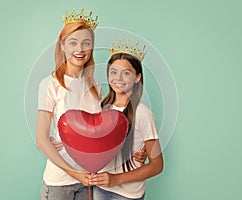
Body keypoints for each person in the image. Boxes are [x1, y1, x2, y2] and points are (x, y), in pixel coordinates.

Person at [36, 8, 102, 200]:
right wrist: (74, 172)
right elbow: (41, 139)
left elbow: (99, 133)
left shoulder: (96, 86)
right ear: (62, 46)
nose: (80, 49)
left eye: (86, 43)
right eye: (73, 42)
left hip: (89, 180)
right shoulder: (49, 84)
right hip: (59, 183)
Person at [90, 40, 164, 200]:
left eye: (126, 73)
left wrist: (115, 179)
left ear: (137, 77)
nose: (118, 78)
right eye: (113, 72)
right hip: (99, 189)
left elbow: (157, 165)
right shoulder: (101, 107)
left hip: (127, 195)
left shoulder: (143, 114)